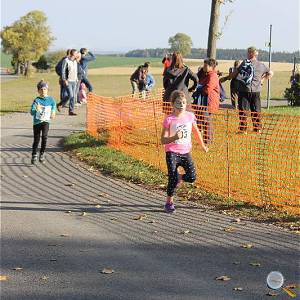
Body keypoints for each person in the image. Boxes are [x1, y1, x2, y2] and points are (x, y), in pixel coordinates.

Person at [161, 90, 208, 213]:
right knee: (171, 178)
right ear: (172, 104)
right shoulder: (169, 119)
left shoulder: (190, 116)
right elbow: (163, 140)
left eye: (183, 102)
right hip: (172, 152)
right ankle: (169, 202)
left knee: (192, 177)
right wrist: (174, 137)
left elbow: (196, 131)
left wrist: (202, 145)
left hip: (185, 152)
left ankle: (179, 178)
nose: (181, 105)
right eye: (178, 102)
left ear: (186, 103)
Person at [230, 46, 273, 133]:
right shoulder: (257, 64)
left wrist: (262, 80)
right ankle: (255, 129)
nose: (248, 54)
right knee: (252, 111)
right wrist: (263, 80)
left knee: (246, 111)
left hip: (248, 91)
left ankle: (245, 129)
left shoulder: (246, 63)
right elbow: (271, 73)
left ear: (254, 54)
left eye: (250, 52)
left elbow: (270, 72)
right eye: (248, 52)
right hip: (249, 90)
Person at [30, 80, 56, 165]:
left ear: (47, 90)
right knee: (36, 140)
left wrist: (53, 112)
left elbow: (54, 106)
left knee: (44, 137)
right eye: (41, 89)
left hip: (46, 121)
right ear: (38, 91)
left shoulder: (51, 99)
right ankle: (34, 155)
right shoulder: (36, 100)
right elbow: (32, 112)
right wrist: (35, 109)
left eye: (45, 89)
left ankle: (42, 154)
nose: (43, 91)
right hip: (37, 123)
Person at [196, 58, 220, 145]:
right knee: (202, 120)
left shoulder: (213, 76)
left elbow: (208, 89)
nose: (204, 67)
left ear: (211, 67)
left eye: (205, 65)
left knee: (207, 122)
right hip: (203, 101)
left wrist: (198, 89)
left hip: (209, 102)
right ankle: (204, 140)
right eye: (203, 65)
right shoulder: (204, 74)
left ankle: (208, 141)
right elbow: (197, 79)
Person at [57, 49, 78, 115]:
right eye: (76, 53)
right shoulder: (66, 61)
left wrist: (76, 78)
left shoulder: (75, 61)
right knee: (71, 95)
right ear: (73, 54)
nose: (77, 55)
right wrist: (64, 80)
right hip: (68, 81)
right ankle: (60, 105)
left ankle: (70, 111)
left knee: (72, 96)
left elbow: (75, 71)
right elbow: (63, 71)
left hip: (74, 81)